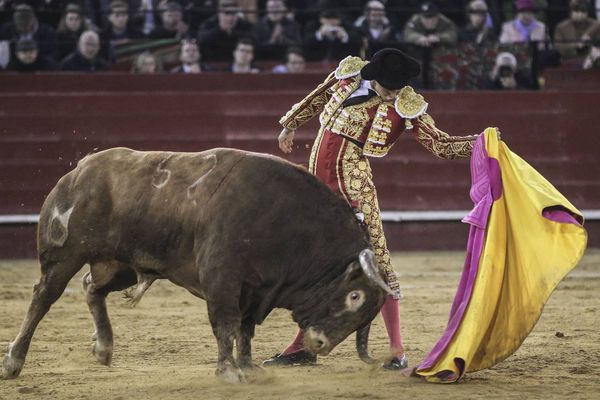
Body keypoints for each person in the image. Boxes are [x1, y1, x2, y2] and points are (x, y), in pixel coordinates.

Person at [264, 48, 480, 369]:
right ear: (374, 75)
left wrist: (479, 143)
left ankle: (397, 349)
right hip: (317, 192)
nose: (392, 93)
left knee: (378, 265)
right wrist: (290, 124)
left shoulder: (406, 105)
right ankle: (301, 347)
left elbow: (439, 144)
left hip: (355, 192)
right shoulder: (349, 76)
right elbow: (318, 96)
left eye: (396, 87)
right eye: (387, 86)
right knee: (317, 269)